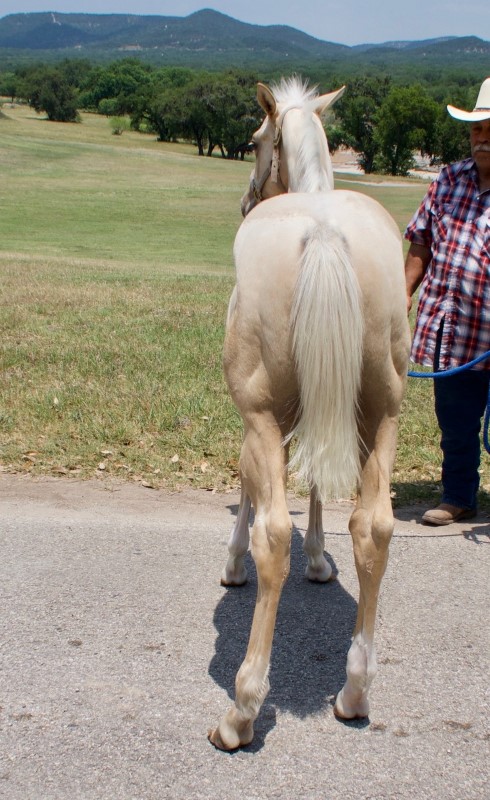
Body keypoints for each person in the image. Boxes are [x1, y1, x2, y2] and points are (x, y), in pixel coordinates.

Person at [404, 77, 490, 526]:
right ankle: (458, 496)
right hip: (452, 331)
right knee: (455, 424)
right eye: (478, 130)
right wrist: (401, 296)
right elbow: (420, 243)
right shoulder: (448, 180)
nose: (483, 139)